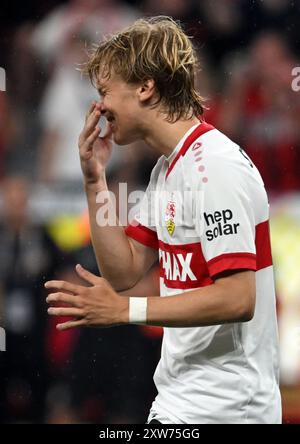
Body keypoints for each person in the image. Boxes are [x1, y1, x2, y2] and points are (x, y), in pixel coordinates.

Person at [45, 16, 281, 424]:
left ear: (145, 87)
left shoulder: (215, 168)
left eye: (105, 91)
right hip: (179, 400)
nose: (99, 106)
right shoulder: (168, 170)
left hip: (228, 409)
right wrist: (94, 179)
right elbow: (123, 271)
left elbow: (238, 298)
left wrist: (126, 311)